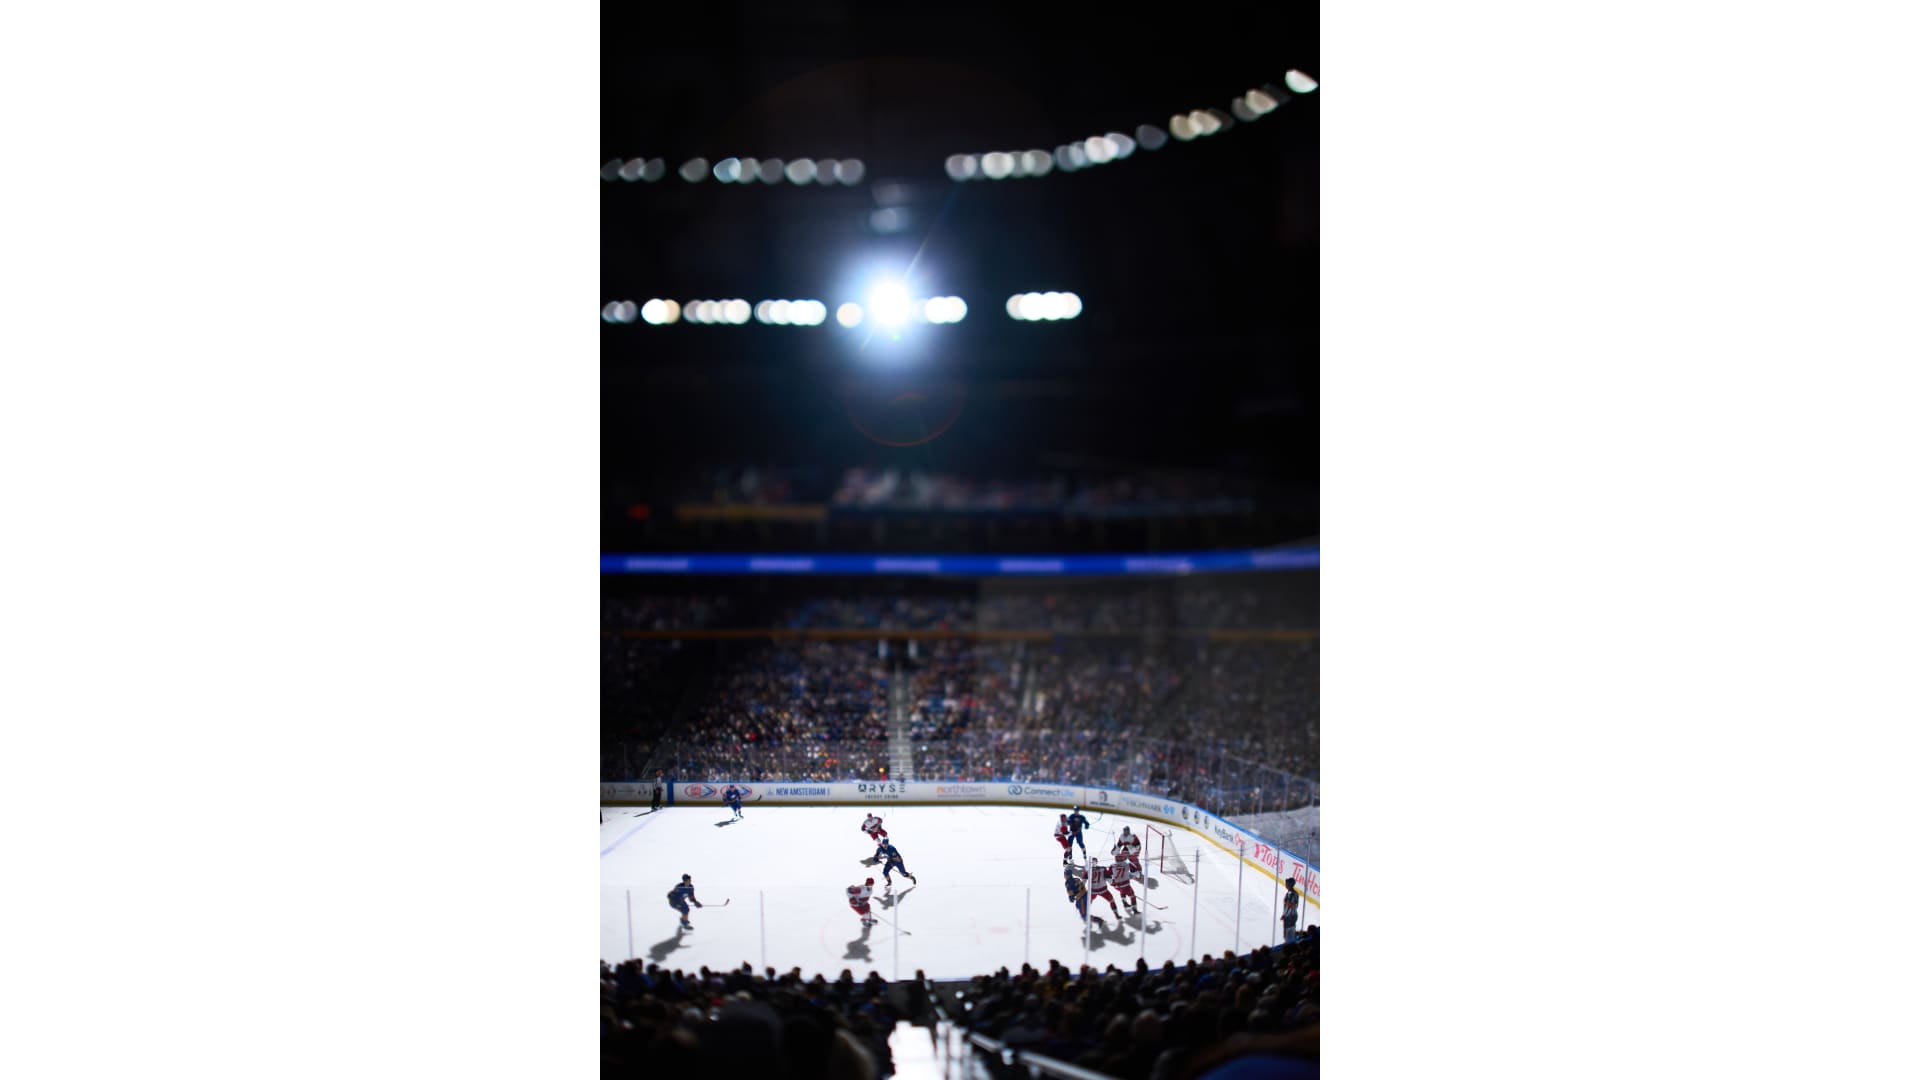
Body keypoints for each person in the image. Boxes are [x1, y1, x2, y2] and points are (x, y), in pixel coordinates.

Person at [1282, 878, 1301, 943]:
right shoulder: (1288, 893)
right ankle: (1287, 943)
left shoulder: (1294, 894)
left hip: (1291, 917)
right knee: (1286, 933)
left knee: (1289, 933)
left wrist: (1288, 903)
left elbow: (1295, 905)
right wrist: (1284, 914)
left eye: (1287, 883)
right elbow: (1286, 906)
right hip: (1287, 917)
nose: (1286, 885)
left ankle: (1290, 944)